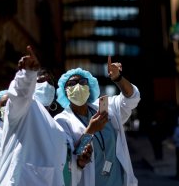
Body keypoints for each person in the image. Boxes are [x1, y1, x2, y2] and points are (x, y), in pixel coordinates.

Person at [0, 46, 91, 186]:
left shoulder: (57, 128)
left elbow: (63, 169)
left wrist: (79, 164)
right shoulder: (24, 110)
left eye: (50, 82)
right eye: (40, 81)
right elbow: (19, 96)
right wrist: (27, 75)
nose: (46, 85)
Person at [54, 56, 141, 186]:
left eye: (82, 82)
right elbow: (70, 160)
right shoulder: (62, 121)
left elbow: (131, 98)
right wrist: (90, 131)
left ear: (89, 88)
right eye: (71, 84)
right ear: (65, 92)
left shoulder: (106, 109)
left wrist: (118, 78)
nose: (78, 86)